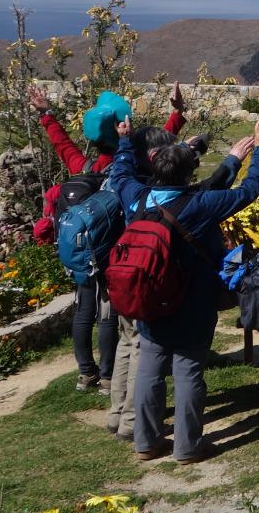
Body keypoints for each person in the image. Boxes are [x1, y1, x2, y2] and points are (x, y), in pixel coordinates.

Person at [106, 115, 259, 463]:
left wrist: (124, 141)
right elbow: (250, 191)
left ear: (153, 168)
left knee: (150, 370)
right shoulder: (200, 205)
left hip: (148, 299)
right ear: (188, 174)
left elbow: (119, 175)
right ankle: (187, 446)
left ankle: (147, 442)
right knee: (188, 371)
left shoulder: (136, 198)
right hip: (192, 303)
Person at [28, 83, 189, 393]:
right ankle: (107, 376)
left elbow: (61, 143)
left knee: (84, 308)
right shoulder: (130, 165)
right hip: (115, 249)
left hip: (85, 248)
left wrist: (46, 114)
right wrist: (177, 114)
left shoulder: (84, 166)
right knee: (109, 312)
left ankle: (85, 373)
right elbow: (162, 147)